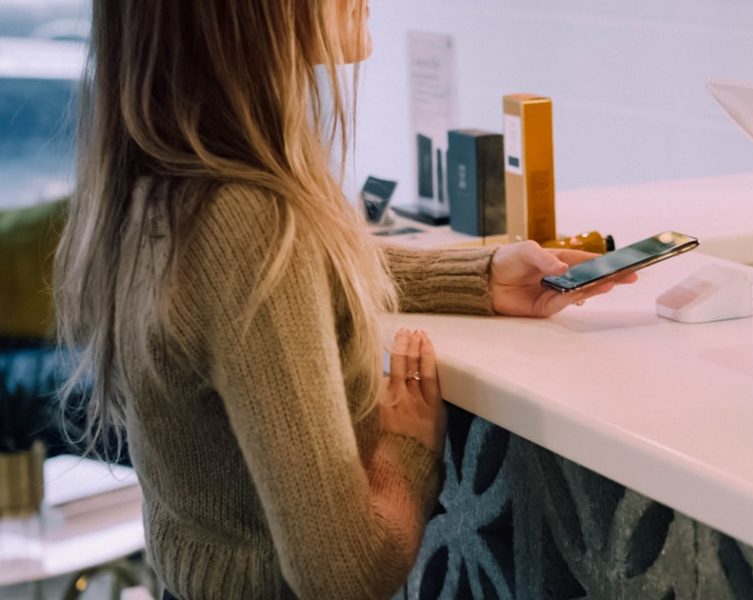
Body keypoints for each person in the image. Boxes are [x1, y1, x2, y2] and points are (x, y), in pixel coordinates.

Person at [51, 0, 634, 597]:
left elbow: (296, 279)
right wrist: (409, 447)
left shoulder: (166, 186)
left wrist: (478, 278)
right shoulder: (253, 224)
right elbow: (344, 572)